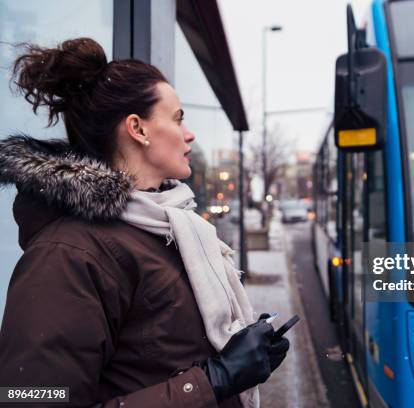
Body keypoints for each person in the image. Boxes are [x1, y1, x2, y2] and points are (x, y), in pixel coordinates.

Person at [0, 38, 289, 407]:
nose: (190, 133)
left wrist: (244, 359)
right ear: (138, 128)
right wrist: (214, 380)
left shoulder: (167, 228)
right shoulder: (66, 254)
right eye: (177, 118)